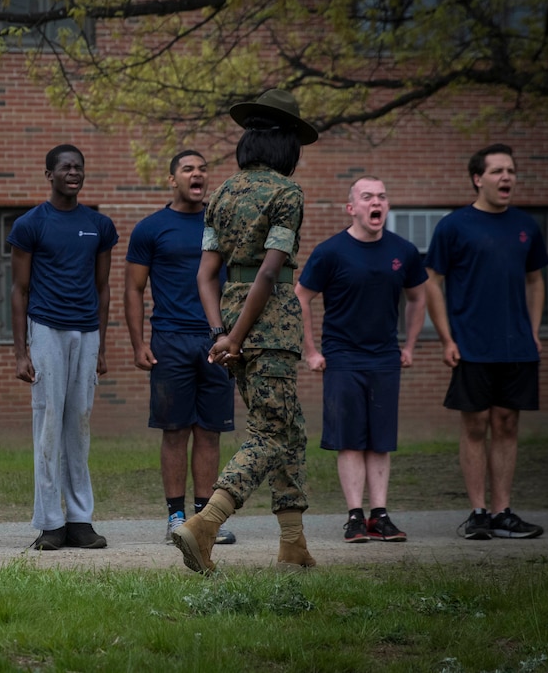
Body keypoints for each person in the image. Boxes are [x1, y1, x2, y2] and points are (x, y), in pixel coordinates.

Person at [173, 88, 319, 574]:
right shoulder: (286, 192)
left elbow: (205, 275)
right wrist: (235, 337)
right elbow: (268, 273)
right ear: (285, 147)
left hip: (233, 325)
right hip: (270, 328)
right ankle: (205, 524)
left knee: (291, 431)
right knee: (271, 431)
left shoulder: (222, 194)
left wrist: (222, 331)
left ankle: (293, 546)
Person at [425, 143, 548, 541]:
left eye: (511, 170)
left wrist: (532, 330)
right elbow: (432, 282)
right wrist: (446, 338)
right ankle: (478, 512)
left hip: (516, 347)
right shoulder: (453, 227)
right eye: (497, 171)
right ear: (478, 179)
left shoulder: (528, 226)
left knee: (507, 423)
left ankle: (502, 512)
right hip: (471, 344)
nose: (506, 177)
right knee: (476, 424)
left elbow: (535, 280)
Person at [295, 176, 427, 543]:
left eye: (382, 197)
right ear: (351, 207)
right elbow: (301, 296)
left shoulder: (404, 251)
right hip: (342, 357)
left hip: (385, 357)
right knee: (350, 440)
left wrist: (410, 346)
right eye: (367, 196)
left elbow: (419, 297)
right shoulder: (331, 252)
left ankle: (380, 515)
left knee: (380, 440)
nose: (377, 202)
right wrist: (311, 351)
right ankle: (355, 516)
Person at [124, 149, 238, 546]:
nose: (198, 174)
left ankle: (207, 519)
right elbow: (134, 289)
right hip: (170, 341)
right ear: (172, 179)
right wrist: (139, 343)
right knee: (174, 431)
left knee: (210, 431)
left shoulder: (222, 224)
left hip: (217, 341)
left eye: (203, 169)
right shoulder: (151, 228)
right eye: (188, 169)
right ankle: (176, 517)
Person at [9, 144, 119, 551]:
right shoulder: (30, 224)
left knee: (80, 425)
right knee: (50, 423)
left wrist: (102, 346)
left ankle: (79, 520)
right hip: (46, 330)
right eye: (65, 167)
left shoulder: (99, 225)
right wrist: (21, 352)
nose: (74, 173)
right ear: (49, 175)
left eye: (79, 167)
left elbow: (103, 288)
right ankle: (50, 523)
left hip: (86, 333)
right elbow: (19, 291)